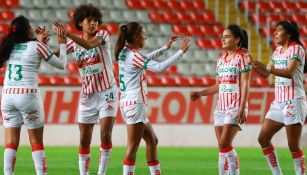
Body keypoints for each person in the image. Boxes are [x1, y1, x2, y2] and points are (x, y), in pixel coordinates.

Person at [114, 22, 191, 175]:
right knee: (132, 146)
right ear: (136, 37)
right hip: (135, 104)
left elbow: (144, 58)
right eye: (143, 34)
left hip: (128, 103)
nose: (145, 37)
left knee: (152, 140)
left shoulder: (125, 52)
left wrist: (165, 48)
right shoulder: (134, 55)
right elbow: (159, 67)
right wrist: (180, 52)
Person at [53, 4, 118, 175]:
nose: (94, 24)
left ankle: (101, 173)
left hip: (107, 92)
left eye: (96, 20)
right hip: (87, 95)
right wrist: (41, 45)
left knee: (105, 135)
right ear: (80, 22)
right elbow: (57, 55)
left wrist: (67, 35)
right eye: (90, 20)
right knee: (83, 139)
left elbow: (89, 45)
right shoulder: (73, 43)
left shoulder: (102, 35)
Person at [0, 15, 67, 175]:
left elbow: (27, 55)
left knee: (10, 144)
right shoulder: (37, 46)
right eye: (30, 26)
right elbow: (62, 64)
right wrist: (62, 44)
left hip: (8, 97)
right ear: (28, 30)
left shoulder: (9, 47)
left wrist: (40, 42)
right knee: (36, 142)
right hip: (28, 96)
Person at [191, 24, 251, 175]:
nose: (223, 39)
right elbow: (218, 85)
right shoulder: (220, 60)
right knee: (221, 146)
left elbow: (245, 84)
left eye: (227, 36)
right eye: (222, 37)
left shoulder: (243, 57)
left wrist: (243, 107)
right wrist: (200, 93)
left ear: (237, 39)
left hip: (235, 105)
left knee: (225, 143)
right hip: (220, 108)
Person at [252, 20, 306, 175]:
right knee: (263, 138)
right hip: (279, 102)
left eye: (279, 30)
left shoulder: (297, 49)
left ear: (289, 33)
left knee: (293, 145)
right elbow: (266, 73)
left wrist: (268, 67)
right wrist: (254, 64)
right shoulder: (277, 51)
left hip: (293, 101)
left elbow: (289, 73)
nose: (274, 33)